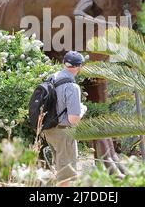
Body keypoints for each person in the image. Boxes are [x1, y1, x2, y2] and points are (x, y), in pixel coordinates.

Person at [43, 51, 88, 187]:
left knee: (58, 168)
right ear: (79, 67)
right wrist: (83, 109)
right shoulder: (72, 87)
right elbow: (73, 119)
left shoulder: (52, 77)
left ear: (64, 63)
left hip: (48, 130)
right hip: (63, 133)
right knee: (65, 176)